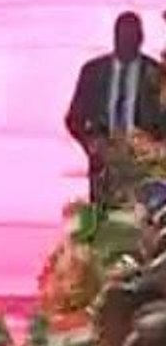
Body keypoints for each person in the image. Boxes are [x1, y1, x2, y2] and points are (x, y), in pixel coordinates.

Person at [66, 12, 163, 203]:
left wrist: (151, 150)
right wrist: (91, 145)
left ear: (141, 39)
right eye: (121, 37)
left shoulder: (158, 75)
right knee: (107, 228)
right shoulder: (92, 73)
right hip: (104, 170)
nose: (125, 43)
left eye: (131, 38)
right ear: (114, 37)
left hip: (147, 174)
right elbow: (73, 119)